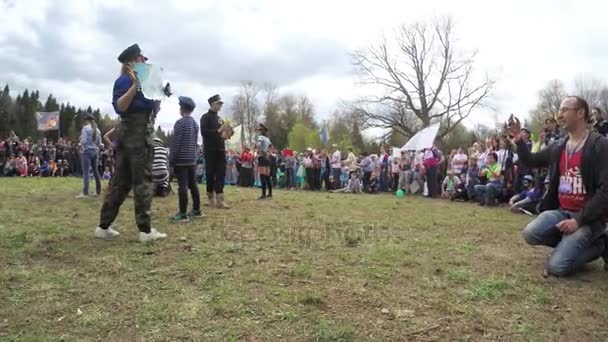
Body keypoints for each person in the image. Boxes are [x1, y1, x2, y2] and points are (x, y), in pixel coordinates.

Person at [509, 96, 608, 277]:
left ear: (580, 113)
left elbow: (605, 191)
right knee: (531, 233)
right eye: (559, 111)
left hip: (588, 219)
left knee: (557, 267)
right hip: (563, 212)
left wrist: (579, 221)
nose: (559, 115)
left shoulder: (599, 145)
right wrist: (518, 138)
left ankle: (600, 245)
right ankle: (573, 244)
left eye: (564, 110)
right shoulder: (558, 146)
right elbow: (531, 160)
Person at [96, 43, 168, 242]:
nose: (144, 61)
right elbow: (120, 107)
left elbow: (152, 110)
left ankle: (103, 226)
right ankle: (145, 231)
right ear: (132, 61)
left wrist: (160, 95)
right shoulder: (123, 81)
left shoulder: (146, 81)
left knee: (121, 183)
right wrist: (135, 86)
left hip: (133, 136)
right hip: (135, 138)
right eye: (140, 58)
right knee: (143, 182)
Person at [170, 96, 202, 222]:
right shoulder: (194, 124)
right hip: (192, 159)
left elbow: (176, 144)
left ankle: (183, 213)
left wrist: (171, 161)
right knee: (193, 185)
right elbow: (194, 142)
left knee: (182, 186)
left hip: (181, 160)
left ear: (182, 108)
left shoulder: (180, 123)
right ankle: (196, 209)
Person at [200, 94, 230, 209]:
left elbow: (223, 135)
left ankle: (220, 200)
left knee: (221, 174)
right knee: (210, 173)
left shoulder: (220, 119)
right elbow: (204, 133)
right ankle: (210, 198)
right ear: (213, 104)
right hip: (210, 149)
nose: (220, 105)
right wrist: (218, 130)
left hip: (220, 149)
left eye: (221, 103)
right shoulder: (205, 117)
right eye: (219, 103)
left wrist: (227, 132)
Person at [77, 113, 102, 198]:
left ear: (86, 120)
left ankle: (85, 192)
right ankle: (98, 191)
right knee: (96, 171)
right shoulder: (98, 130)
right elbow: (99, 143)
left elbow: (83, 141)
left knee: (86, 172)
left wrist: (80, 141)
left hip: (87, 151)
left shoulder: (85, 128)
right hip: (95, 151)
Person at [255, 123, 273, 199]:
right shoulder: (268, 139)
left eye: (260, 130)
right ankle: (270, 193)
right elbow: (271, 147)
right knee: (267, 177)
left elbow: (258, 144)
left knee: (262, 177)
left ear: (263, 131)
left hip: (262, 158)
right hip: (267, 159)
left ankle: (263, 194)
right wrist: (268, 154)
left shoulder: (260, 137)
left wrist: (259, 151)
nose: (259, 131)